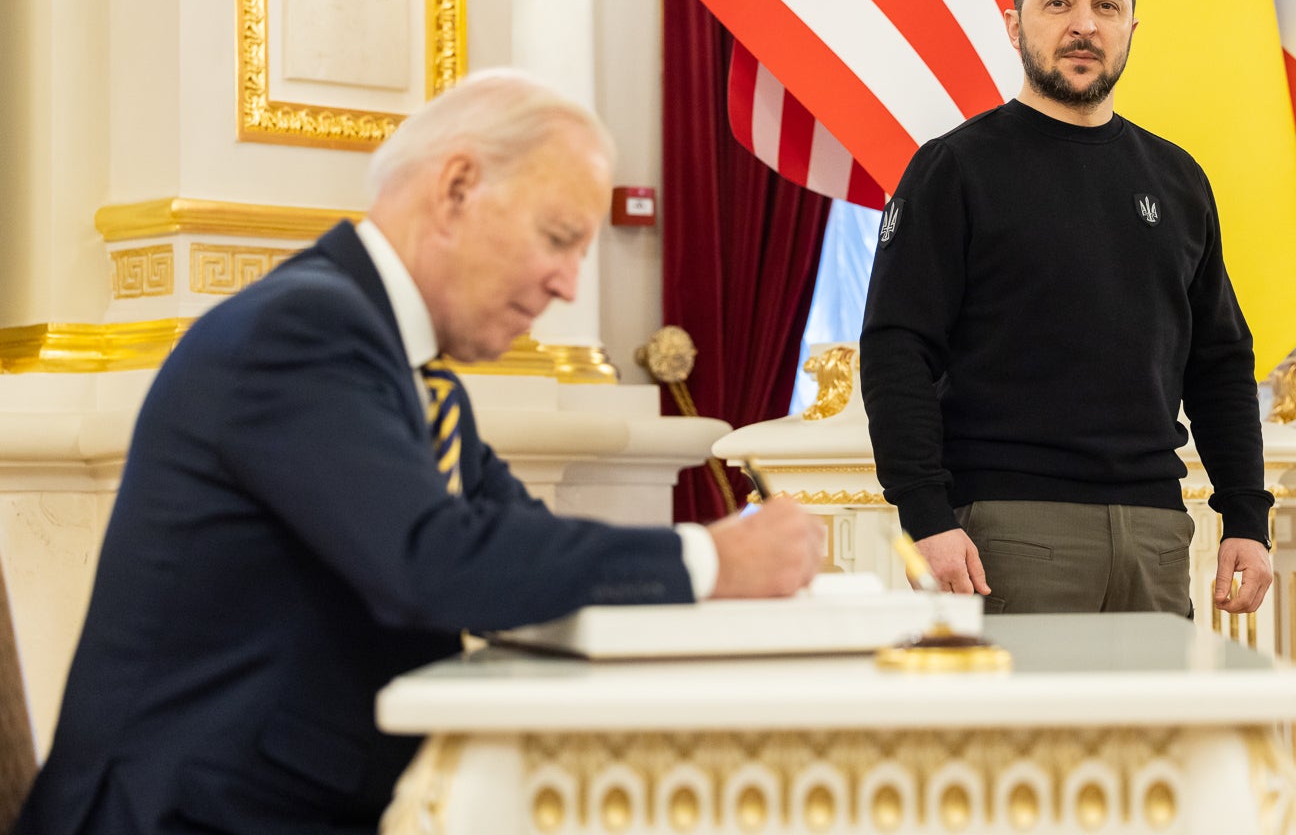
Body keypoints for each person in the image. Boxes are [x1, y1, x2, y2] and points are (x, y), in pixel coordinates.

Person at [14, 69, 823, 834]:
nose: (571, 285)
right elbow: (436, 564)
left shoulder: (416, 379)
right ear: (458, 188)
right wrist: (713, 560)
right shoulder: (300, 331)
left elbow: (518, 549)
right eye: (559, 237)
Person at [860, 0, 1273, 618]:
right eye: (1058, 4)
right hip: (1007, 532)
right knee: (1024, 734)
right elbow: (897, 350)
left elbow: (1220, 364)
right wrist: (926, 516)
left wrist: (1247, 519)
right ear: (1015, 24)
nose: (1084, 25)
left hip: (1156, 532)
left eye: (1106, 6)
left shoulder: (1177, 180)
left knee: (1153, 733)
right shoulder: (953, 170)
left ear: (1132, 26)